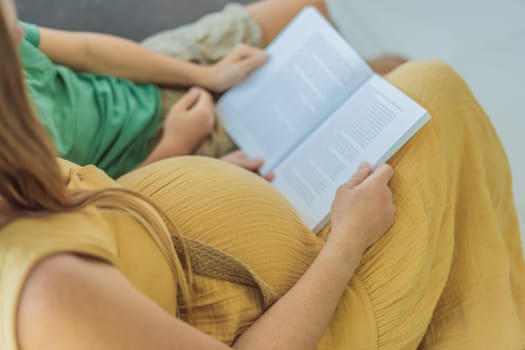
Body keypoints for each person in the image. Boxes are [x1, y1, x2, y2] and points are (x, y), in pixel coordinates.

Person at [1, 0, 524, 349]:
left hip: (251, 221)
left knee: (414, 90)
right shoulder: (50, 291)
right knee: (437, 93)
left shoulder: (15, 176)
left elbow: (99, 208)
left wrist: (190, 174)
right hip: (320, 308)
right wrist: (348, 240)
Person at [18, 0, 405, 178]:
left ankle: (359, 77)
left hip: (145, 75)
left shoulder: (9, 37)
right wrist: (176, 144)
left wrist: (205, 75)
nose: (16, 29)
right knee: (396, 78)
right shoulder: (15, 161)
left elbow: (87, 50)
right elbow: (97, 207)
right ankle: (369, 78)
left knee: (305, 9)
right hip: (153, 155)